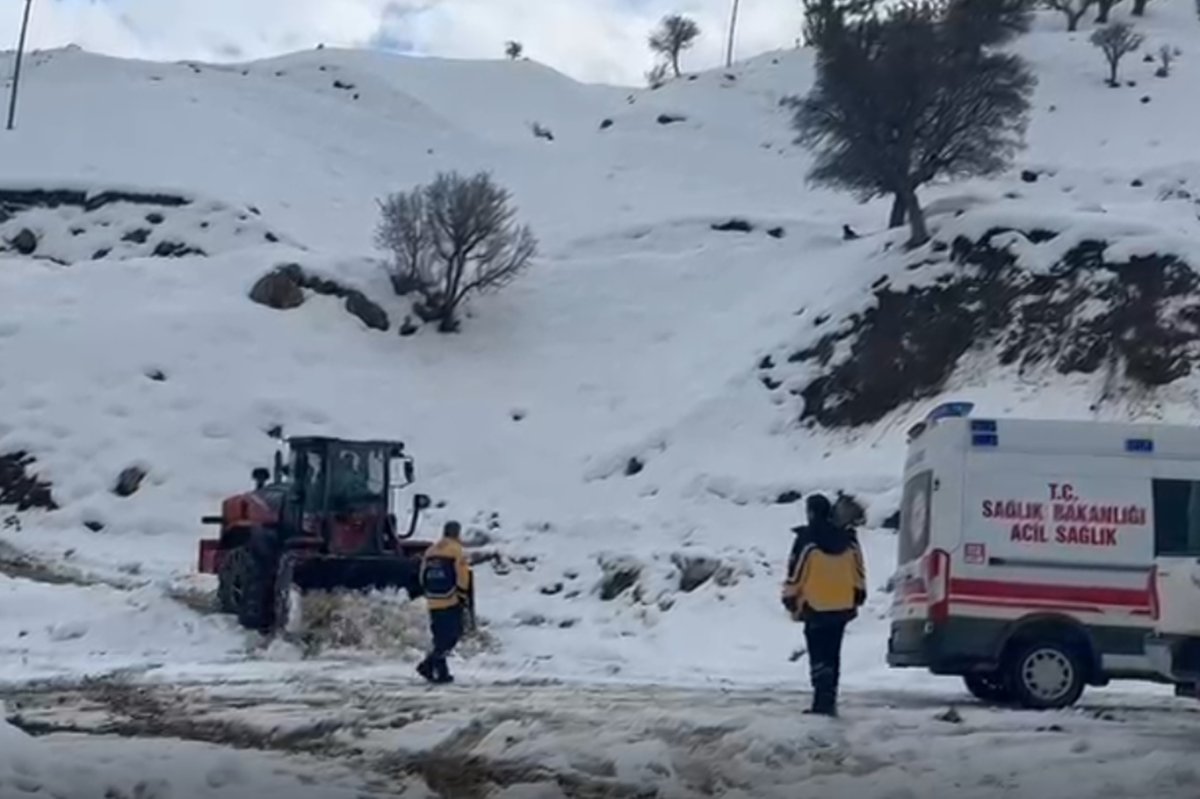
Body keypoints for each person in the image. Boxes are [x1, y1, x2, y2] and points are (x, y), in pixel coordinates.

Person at [782, 493, 867, 717]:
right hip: (842, 604)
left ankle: (821, 702)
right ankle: (830, 700)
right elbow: (859, 569)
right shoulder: (848, 539)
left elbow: (796, 572)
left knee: (818, 654)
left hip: (815, 605)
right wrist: (859, 593)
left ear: (811, 513)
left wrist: (789, 597)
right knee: (833, 653)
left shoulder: (806, 540)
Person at [416, 521, 473, 684]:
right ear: (457, 533)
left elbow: (422, 575)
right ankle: (427, 665)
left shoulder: (431, 550)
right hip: (450, 600)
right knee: (453, 635)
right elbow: (462, 574)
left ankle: (442, 673)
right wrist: (462, 594)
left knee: (439, 637)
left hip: (433, 600)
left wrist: (428, 593)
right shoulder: (456, 550)